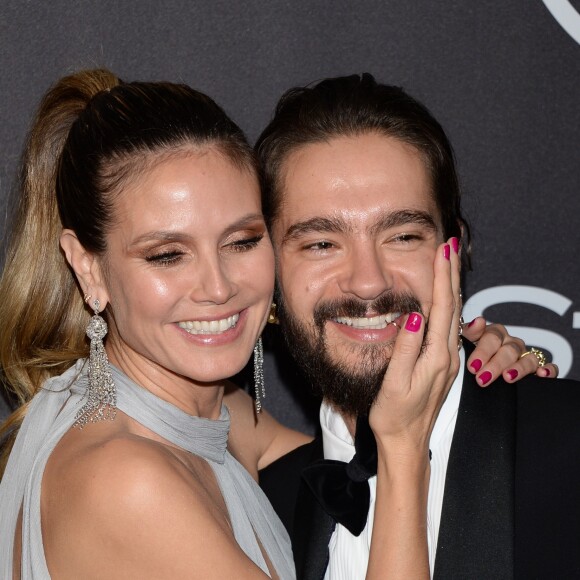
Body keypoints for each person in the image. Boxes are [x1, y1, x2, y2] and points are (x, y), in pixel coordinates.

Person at [0, 68, 555, 579]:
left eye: (241, 242)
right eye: (168, 254)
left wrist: (466, 361)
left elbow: (338, 461)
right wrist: (404, 448)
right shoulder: (125, 483)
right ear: (87, 267)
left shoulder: (215, 416)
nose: (218, 288)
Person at [257, 74, 580, 579]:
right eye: (321, 243)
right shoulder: (262, 506)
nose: (367, 282)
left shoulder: (566, 444)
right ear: (269, 273)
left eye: (403, 235)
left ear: (456, 251)